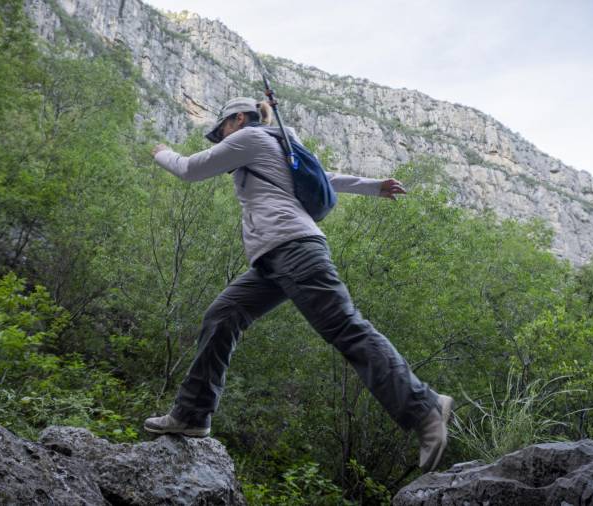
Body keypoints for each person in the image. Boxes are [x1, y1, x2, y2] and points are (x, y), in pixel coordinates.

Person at [144, 97, 454, 471]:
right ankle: (192, 414)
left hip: (292, 249)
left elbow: (189, 169)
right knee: (222, 316)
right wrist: (372, 186)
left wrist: (161, 152)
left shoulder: (249, 138)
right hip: (272, 260)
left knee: (346, 329)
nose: (221, 138)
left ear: (238, 119)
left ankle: (425, 407)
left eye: (222, 129)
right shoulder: (278, 142)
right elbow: (325, 176)